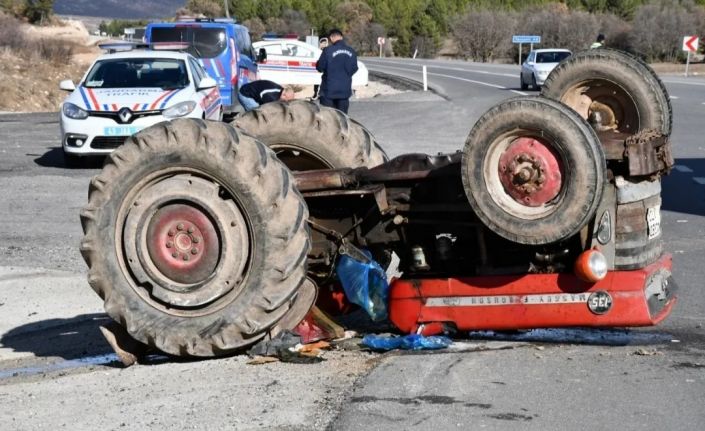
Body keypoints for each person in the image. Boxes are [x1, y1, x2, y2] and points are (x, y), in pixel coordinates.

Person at [316, 29, 358, 114]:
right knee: (343, 118)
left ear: (331, 38)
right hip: (344, 90)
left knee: (328, 118)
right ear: (341, 37)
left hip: (329, 90)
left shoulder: (328, 51)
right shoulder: (351, 51)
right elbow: (354, 68)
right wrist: (345, 75)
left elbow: (320, 67)